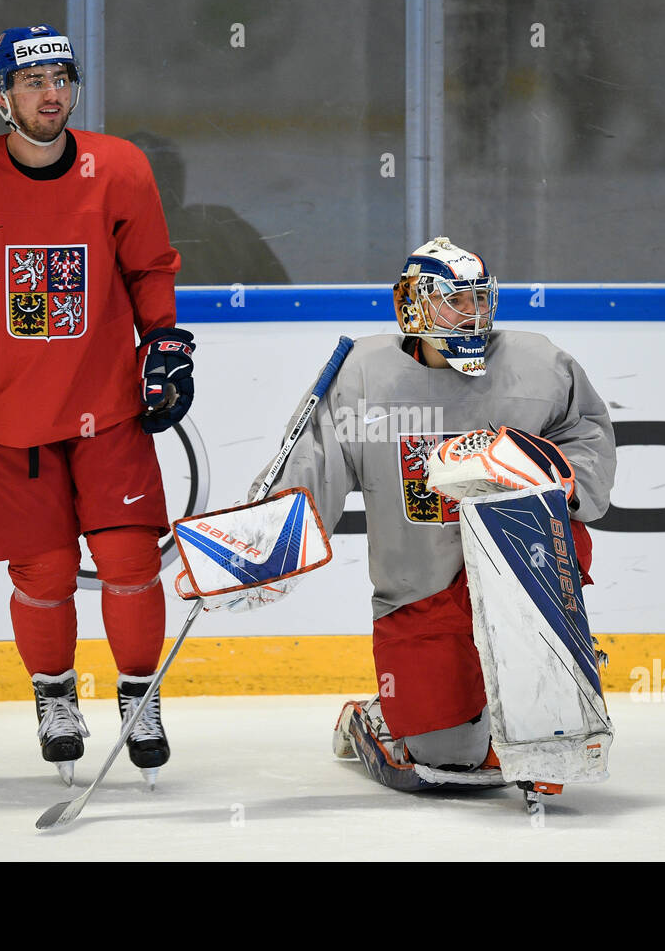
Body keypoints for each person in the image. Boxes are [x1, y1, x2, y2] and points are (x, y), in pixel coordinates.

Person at [0, 24, 195, 786]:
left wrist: (163, 343)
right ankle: (55, 697)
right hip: (9, 421)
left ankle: (138, 697)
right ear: (2, 96)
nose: (50, 93)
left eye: (61, 78)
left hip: (109, 409)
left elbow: (150, 265)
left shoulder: (119, 167)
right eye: (32, 82)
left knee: (130, 560)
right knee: (46, 574)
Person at [229, 236, 616, 792]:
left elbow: (587, 438)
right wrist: (257, 544)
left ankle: (521, 709)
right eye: (452, 301)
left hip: (527, 578)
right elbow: (313, 466)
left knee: (545, 727)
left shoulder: (540, 364)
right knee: (447, 762)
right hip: (419, 592)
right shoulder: (363, 374)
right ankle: (378, 719)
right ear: (412, 306)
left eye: (479, 299)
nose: (472, 314)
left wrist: (556, 474)